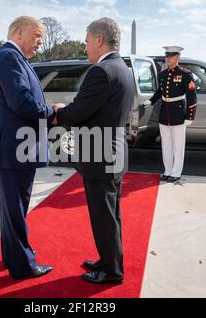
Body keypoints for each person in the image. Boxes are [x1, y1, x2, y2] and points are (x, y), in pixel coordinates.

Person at [53, 17, 134, 284]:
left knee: (104, 218)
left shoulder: (101, 71)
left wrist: (59, 112)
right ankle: (109, 259)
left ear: (99, 39)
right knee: (111, 215)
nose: (85, 47)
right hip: (114, 152)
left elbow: (78, 111)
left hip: (100, 155)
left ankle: (111, 272)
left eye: (87, 41)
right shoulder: (121, 68)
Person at [0, 16, 55, 280]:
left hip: (16, 147)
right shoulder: (9, 58)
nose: (40, 41)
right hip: (14, 147)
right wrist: (52, 114)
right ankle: (23, 265)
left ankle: (13, 255)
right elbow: (21, 102)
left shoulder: (14, 58)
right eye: (37, 35)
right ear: (18, 32)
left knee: (14, 208)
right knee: (15, 208)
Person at [149, 46, 197, 183]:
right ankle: (167, 170)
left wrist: (190, 116)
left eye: (170, 56)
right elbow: (160, 91)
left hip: (178, 114)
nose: (167, 58)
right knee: (166, 145)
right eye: (166, 56)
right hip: (165, 113)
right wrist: (151, 101)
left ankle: (176, 173)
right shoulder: (163, 74)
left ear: (177, 58)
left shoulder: (185, 74)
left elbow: (192, 97)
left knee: (178, 145)